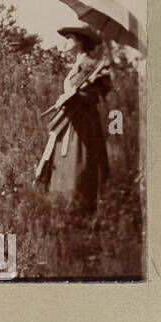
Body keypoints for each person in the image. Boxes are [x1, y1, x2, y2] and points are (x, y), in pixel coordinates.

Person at [35, 25, 112, 215]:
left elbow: (101, 91)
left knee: (80, 162)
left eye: (69, 38)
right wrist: (67, 97)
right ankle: (62, 207)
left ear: (80, 42)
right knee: (63, 160)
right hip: (70, 119)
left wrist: (77, 96)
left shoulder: (91, 65)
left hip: (83, 122)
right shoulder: (77, 65)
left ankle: (80, 210)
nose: (65, 41)